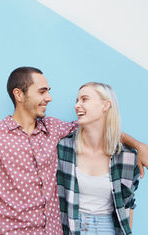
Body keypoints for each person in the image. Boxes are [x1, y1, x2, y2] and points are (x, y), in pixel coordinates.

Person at [0, 67, 148, 235]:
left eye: (48, 91)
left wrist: (140, 145)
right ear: (19, 95)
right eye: (42, 92)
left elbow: (97, 127)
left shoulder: (54, 129)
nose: (48, 98)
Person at [57, 82, 141, 234]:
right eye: (76, 101)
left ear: (105, 105)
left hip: (107, 227)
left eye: (84, 99)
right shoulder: (64, 148)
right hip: (73, 227)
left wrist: (141, 147)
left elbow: (127, 205)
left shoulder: (127, 156)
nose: (77, 105)